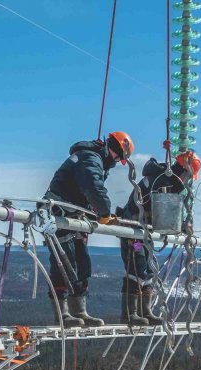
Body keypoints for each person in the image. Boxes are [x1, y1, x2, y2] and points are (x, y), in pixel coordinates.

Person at [41, 131, 135, 328]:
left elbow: (84, 193)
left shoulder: (94, 159)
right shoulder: (90, 158)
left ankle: (80, 312)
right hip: (58, 214)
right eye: (119, 157)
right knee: (63, 264)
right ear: (115, 150)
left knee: (82, 264)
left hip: (72, 215)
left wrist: (97, 215)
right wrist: (104, 211)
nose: (117, 162)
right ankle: (63, 314)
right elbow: (93, 187)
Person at [118, 150, 201, 326]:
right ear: (185, 172)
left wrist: (182, 226)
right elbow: (166, 218)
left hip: (141, 231)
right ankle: (130, 313)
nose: (188, 182)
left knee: (148, 268)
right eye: (189, 177)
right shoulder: (163, 182)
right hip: (133, 231)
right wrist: (182, 227)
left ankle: (144, 312)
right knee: (136, 268)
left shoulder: (162, 179)